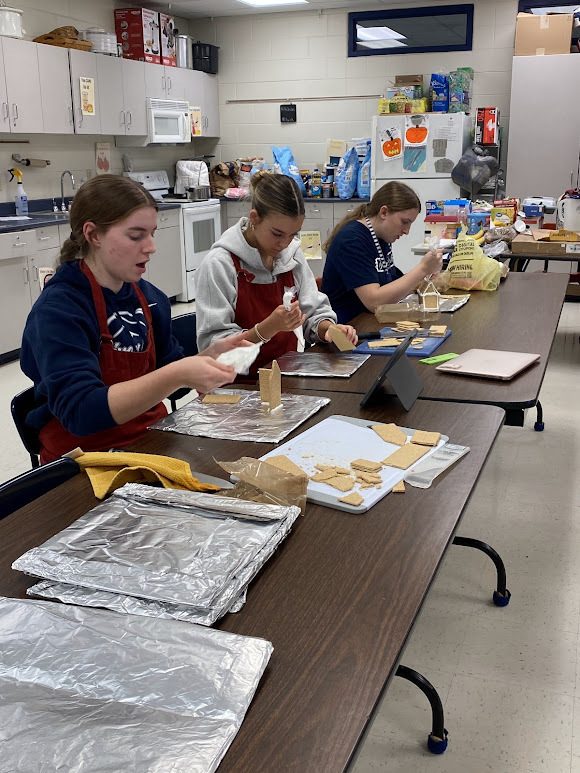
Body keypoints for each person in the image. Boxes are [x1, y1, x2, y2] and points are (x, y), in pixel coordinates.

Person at [21, 174, 246, 464]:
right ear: (93, 235)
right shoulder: (58, 311)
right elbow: (81, 413)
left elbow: (172, 383)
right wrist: (178, 373)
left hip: (152, 440)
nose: (150, 246)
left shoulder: (149, 298)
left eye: (152, 233)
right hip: (84, 460)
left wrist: (205, 360)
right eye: (136, 236)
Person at [195, 171, 357, 375]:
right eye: (277, 234)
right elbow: (215, 350)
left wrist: (329, 330)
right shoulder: (220, 264)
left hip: (284, 376)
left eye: (293, 235)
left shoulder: (291, 256)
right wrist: (267, 329)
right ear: (254, 218)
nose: (285, 243)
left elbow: (313, 312)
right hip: (233, 384)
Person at [321, 181, 443, 323]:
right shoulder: (351, 240)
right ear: (384, 212)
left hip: (371, 321)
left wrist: (424, 277)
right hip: (350, 327)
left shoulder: (381, 237)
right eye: (404, 222)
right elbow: (374, 302)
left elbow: (392, 285)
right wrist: (422, 269)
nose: (406, 231)